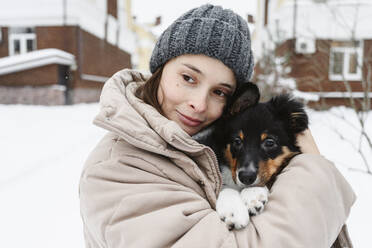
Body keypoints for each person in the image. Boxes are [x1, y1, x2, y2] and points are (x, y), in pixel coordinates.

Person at [79, 4, 355, 248]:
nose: (199, 104)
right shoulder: (116, 171)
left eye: (220, 92)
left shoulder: (204, 148)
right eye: (188, 78)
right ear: (160, 71)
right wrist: (314, 170)